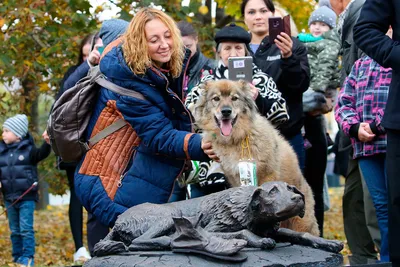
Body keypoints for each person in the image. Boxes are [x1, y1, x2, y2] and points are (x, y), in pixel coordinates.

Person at [74, 7, 216, 228]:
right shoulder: (127, 81)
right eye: (154, 39)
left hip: (134, 181)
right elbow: (158, 135)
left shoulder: (158, 72)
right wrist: (200, 144)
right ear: (140, 43)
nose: (164, 44)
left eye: (168, 36)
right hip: (111, 188)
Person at [185, 23, 289, 197]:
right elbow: (189, 115)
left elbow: (282, 114)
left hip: (254, 158)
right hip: (214, 160)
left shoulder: (260, 79)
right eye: (227, 48)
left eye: (238, 48)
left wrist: (258, 99)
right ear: (218, 52)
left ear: (246, 52)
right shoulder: (207, 81)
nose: (233, 53)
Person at [329, 0, 381, 263]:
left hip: (370, 128)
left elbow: (367, 69)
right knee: (356, 197)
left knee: (367, 200)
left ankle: (373, 258)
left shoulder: (363, 10)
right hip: (355, 124)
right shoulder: (345, 17)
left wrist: (358, 123)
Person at [354, 1, 400, 265]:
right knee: (385, 206)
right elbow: (365, 29)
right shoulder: (361, 67)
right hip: (389, 128)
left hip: (383, 129)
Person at [241, 0, 310, 172]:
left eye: (263, 11)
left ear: (272, 14)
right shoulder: (238, 49)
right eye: (251, 12)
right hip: (247, 138)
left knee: (291, 193)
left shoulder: (292, 45)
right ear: (244, 18)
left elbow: (300, 86)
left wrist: (288, 57)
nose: (258, 17)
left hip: (286, 135)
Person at [336, 53, 392, 262]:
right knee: (380, 206)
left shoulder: (395, 59)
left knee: (394, 204)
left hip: (392, 144)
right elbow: (343, 103)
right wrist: (354, 127)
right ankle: (387, 259)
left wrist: (377, 125)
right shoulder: (360, 65)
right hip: (365, 148)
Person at [297, 1, 340, 237]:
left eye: (323, 24)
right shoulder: (301, 43)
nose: (317, 27)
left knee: (313, 185)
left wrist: (320, 92)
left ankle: (318, 235)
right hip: (299, 118)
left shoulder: (329, 47)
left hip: (313, 117)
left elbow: (326, 78)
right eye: (314, 22)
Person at [0, 114, 51, 267]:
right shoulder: (1, 151)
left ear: (18, 134)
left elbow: (41, 154)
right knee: (14, 230)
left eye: (7, 131)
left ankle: (28, 258)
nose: (3, 133)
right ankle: (17, 257)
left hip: (26, 197)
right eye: (3, 130)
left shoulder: (29, 150)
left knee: (26, 229)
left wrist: (47, 143)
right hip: (9, 197)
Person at [176, 21, 215, 94]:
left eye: (188, 46)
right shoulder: (168, 69)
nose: (184, 52)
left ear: (196, 40)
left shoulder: (212, 68)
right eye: (179, 47)